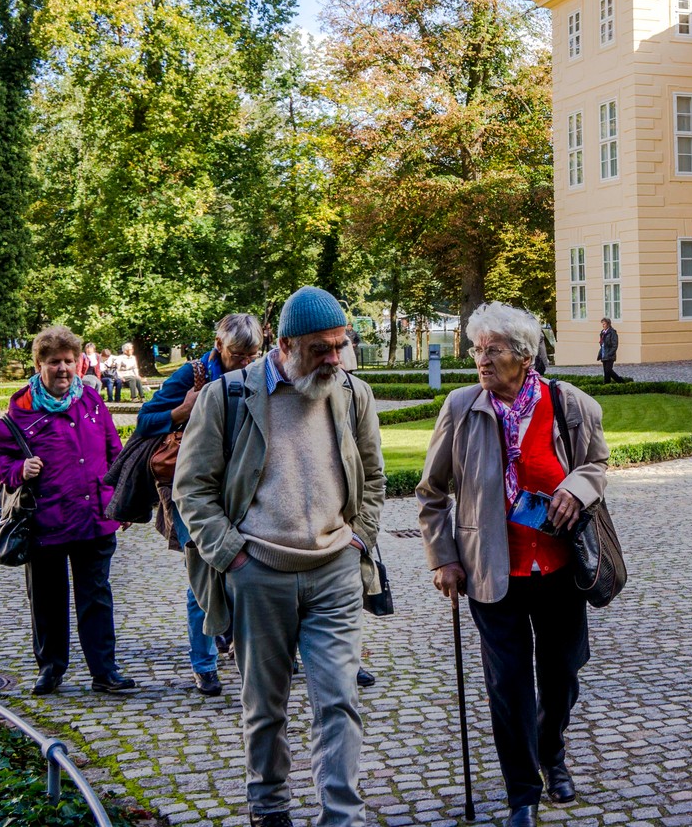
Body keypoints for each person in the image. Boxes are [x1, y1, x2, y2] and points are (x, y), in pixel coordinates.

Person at [174, 287, 387, 827]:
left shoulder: (352, 394)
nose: (334, 358)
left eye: (341, 345)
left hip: (335, 569)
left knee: (338, 701)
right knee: (265, 709)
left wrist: (358, 538)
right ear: (286, 344)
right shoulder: (228, 397)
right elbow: (192, 489)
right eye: (321, 349)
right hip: (259, 573)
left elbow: (374, 476)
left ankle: (341, 817)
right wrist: (232, 556)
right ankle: (269, 810)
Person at [418, 302, 610, 827]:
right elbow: (431, 493)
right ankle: (522, 793)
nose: (480, 359)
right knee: (508, 687)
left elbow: (596, 464)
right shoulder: (461, 409)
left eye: (493, 350)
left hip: (559, 569)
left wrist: (575, 486)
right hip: (489, 571)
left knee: (562, 673)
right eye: (477, 349)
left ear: (524, 356)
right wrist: (444, 558)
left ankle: (552, 749)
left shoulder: (570, 404)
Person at [0, 325, 133, 696]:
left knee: (95, 597)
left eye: (69, 361)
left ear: (79, 363)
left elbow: (115, 451)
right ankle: (51, 669)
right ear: (39, 364)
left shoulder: (91, 401)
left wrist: (122, 499)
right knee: (47, 600)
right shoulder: (22, 408)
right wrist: (18, 471)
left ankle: (104, 671)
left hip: (95, 517)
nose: (63, 368)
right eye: (54, 362)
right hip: (46, 521)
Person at [136, 314, 264, 695]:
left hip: (239, 491)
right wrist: (181, 411)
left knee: (245, 573)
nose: (246, 362)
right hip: (194, 490)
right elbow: (145, 420)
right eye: (239, 354)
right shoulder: (190, 376)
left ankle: (232, 640)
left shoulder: (259, 374)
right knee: (202, 577)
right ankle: (204, 665)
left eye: (253, 354)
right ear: (219, 345)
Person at [596, 318, 627, 384]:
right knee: (606, 371)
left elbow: (615, 345)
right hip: (604, 354)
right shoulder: (602, 332)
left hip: (610, 355)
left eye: (604, 324)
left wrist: (610, 353)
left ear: (608, 324)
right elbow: (602, 344)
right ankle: (607, 384)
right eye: (602, 324)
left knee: (608, 370)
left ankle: (621, 381)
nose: (603, 325)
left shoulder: (612, 332)